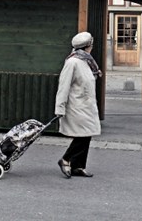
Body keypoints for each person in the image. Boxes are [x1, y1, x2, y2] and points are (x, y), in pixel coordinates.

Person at [55, 31, 102, 178]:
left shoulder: (86, 61)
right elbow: (64, 86)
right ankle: (66, 159)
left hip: (86, 105)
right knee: (84, 135)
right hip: (77, 106)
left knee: (87, 134)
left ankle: (78, 166)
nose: (92, 47)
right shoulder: (72, 62)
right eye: (91, 44)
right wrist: (60, 107)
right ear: (87, 46)